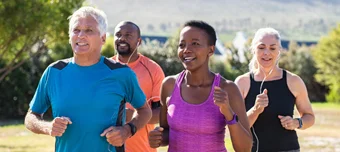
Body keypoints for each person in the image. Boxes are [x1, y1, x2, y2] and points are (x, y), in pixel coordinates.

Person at [24, 6, 152, 152]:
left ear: (103, 38)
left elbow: (144, 111)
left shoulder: (122, 73)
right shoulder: (54, 72)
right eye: (76, 30)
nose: (81, 35)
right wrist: (47, 127)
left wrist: (127, 130)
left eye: (89, 30)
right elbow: (30, 117)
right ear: (69, 36)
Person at [148, 20, 252, 152]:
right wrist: (158, 138)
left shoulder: (227, 89)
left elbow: (245, 148)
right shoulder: (169, 85)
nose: (186, 50)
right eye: (182, 45)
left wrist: (228, 112)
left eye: (195, 44)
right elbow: (167, 133)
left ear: (211, 50)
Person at [235, 27, 315, 152]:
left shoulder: (294, 81)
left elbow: (309, 117)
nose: (266, 52)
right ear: (253, 50)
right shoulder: (242, 83)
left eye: (272, 48)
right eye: (261, 48)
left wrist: (297, 122)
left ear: (279, 51)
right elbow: (236, 127)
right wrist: (255, 110)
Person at [111, 21, 165, 152]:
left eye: (128, 35)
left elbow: (161, 113)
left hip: (142, 148)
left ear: (139, 41)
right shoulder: (103, 69)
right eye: (118, 34)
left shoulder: (153, 70)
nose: (122, 38)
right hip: (106, 147)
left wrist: (134, 116)